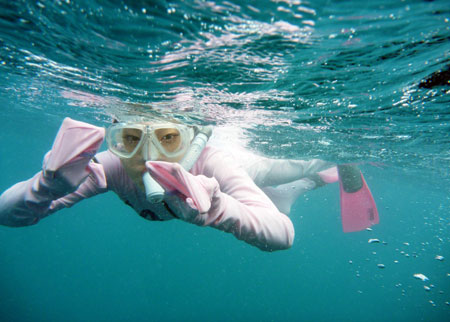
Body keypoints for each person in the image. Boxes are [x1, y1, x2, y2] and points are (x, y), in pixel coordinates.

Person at [0, 115, 339, 252]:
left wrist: (218, 210)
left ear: (193, 140)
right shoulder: (111, 166)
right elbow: (9, 215)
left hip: (244, 167)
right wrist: (46, 186)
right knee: (279, 199)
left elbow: (283, 234)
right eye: (130, 138)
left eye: (168, 138)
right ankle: (309, 185)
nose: (147, 156)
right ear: (114, 140)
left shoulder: (212, 161)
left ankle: (339, 159)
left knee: (280, 171)